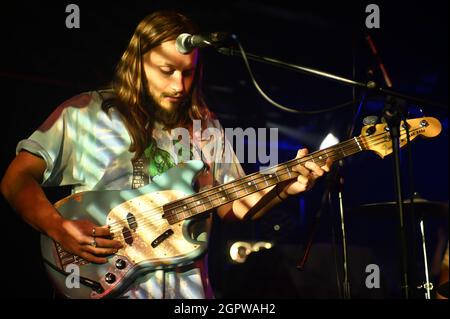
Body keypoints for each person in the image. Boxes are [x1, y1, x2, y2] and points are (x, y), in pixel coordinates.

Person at [0, 10, 330, 299]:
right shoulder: (85, 113)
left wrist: (285, 186)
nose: (179, 85)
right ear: (137, 61)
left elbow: (233, 206)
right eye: (166, 70)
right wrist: (57, 226)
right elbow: (16, 179)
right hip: (106, 280)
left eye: (188, 73)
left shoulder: (204, 126)